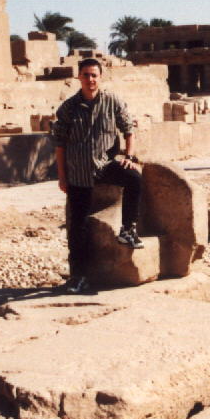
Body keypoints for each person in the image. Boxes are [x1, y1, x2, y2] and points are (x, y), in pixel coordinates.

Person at [52, 58, 142, 294]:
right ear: (79, 77)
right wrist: (62, 176)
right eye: (86, 75)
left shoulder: (113, 101)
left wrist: (129, 156)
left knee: (134, 178)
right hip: (79, 172)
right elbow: (60, 144)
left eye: (94, 75)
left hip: (104, 165)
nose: (90, 79)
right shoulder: (68, 108)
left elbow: (129, 130)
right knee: (78, 227)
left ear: (101, 77)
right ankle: (79, 277)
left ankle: (127, 229)